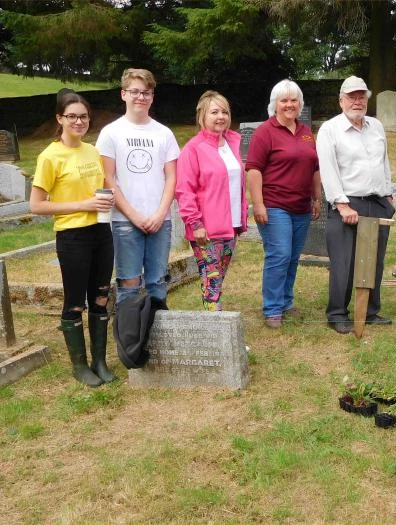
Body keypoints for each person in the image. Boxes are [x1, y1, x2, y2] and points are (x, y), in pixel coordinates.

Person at [30, 90, 116, 387]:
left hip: (101, 232)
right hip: (72, 236)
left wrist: (107, 199)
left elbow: (103, 188)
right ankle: (79, 366)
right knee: (76, 301)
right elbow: (37, 205)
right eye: (72, 116)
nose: (78, 121)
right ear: (60, 119)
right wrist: (83, 205)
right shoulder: (50, 156)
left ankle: (100, 361)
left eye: (83, 116)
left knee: (101, 298)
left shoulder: (91, 151)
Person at [96, 68, 180, 309]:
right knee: (128, 284)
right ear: (123, 94)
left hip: (159, 220)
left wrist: (160, 214)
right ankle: (131, 343)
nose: (140, 97)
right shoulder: (110, 133)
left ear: (152, 97)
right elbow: (108, 178)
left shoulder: (164, 133)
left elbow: (171, 178)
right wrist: (133, 215)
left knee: (157, 281)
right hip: (125, 221)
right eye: (135, 92)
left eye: (146, 93)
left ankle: (157, 336)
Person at [316, 75, 395, 334]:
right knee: (345, 262)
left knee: (374, 260)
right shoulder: (330, 129)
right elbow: (328, 170)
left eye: (362, 96)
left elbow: (383, 162)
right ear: (341, 100)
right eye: (352, 96)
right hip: (347, 204)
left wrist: (388, 193)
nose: (358, 101)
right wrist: (341, 204)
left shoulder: (376, 126)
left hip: (377, 202)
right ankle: (337, 313)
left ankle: (370, 311)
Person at [246, 80, 321, 328]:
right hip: (275, 205)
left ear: (300, 104)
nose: (289, 105)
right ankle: (272, 309)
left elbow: (314, 167)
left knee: (292, 257)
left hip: (301, 206)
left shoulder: (306, 131)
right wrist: (258, 205)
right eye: (284, 100)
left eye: (293, 100)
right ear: (274, 104)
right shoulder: (264, 132)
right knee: (279, 255)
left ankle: (286, 302)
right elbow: (254, 170)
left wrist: (316, 197)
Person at [176, 91, 247, 311]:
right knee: (212, 282)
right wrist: (195, 224)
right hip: (206, 230)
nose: (221, 117)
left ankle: (215, 330)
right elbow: (184, 190)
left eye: (224, 111)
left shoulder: (234, 142)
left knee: (217, 279)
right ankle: (217, 336)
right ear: (202, 116)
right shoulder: (193, 149)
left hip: (231, 225)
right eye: (214, 112)